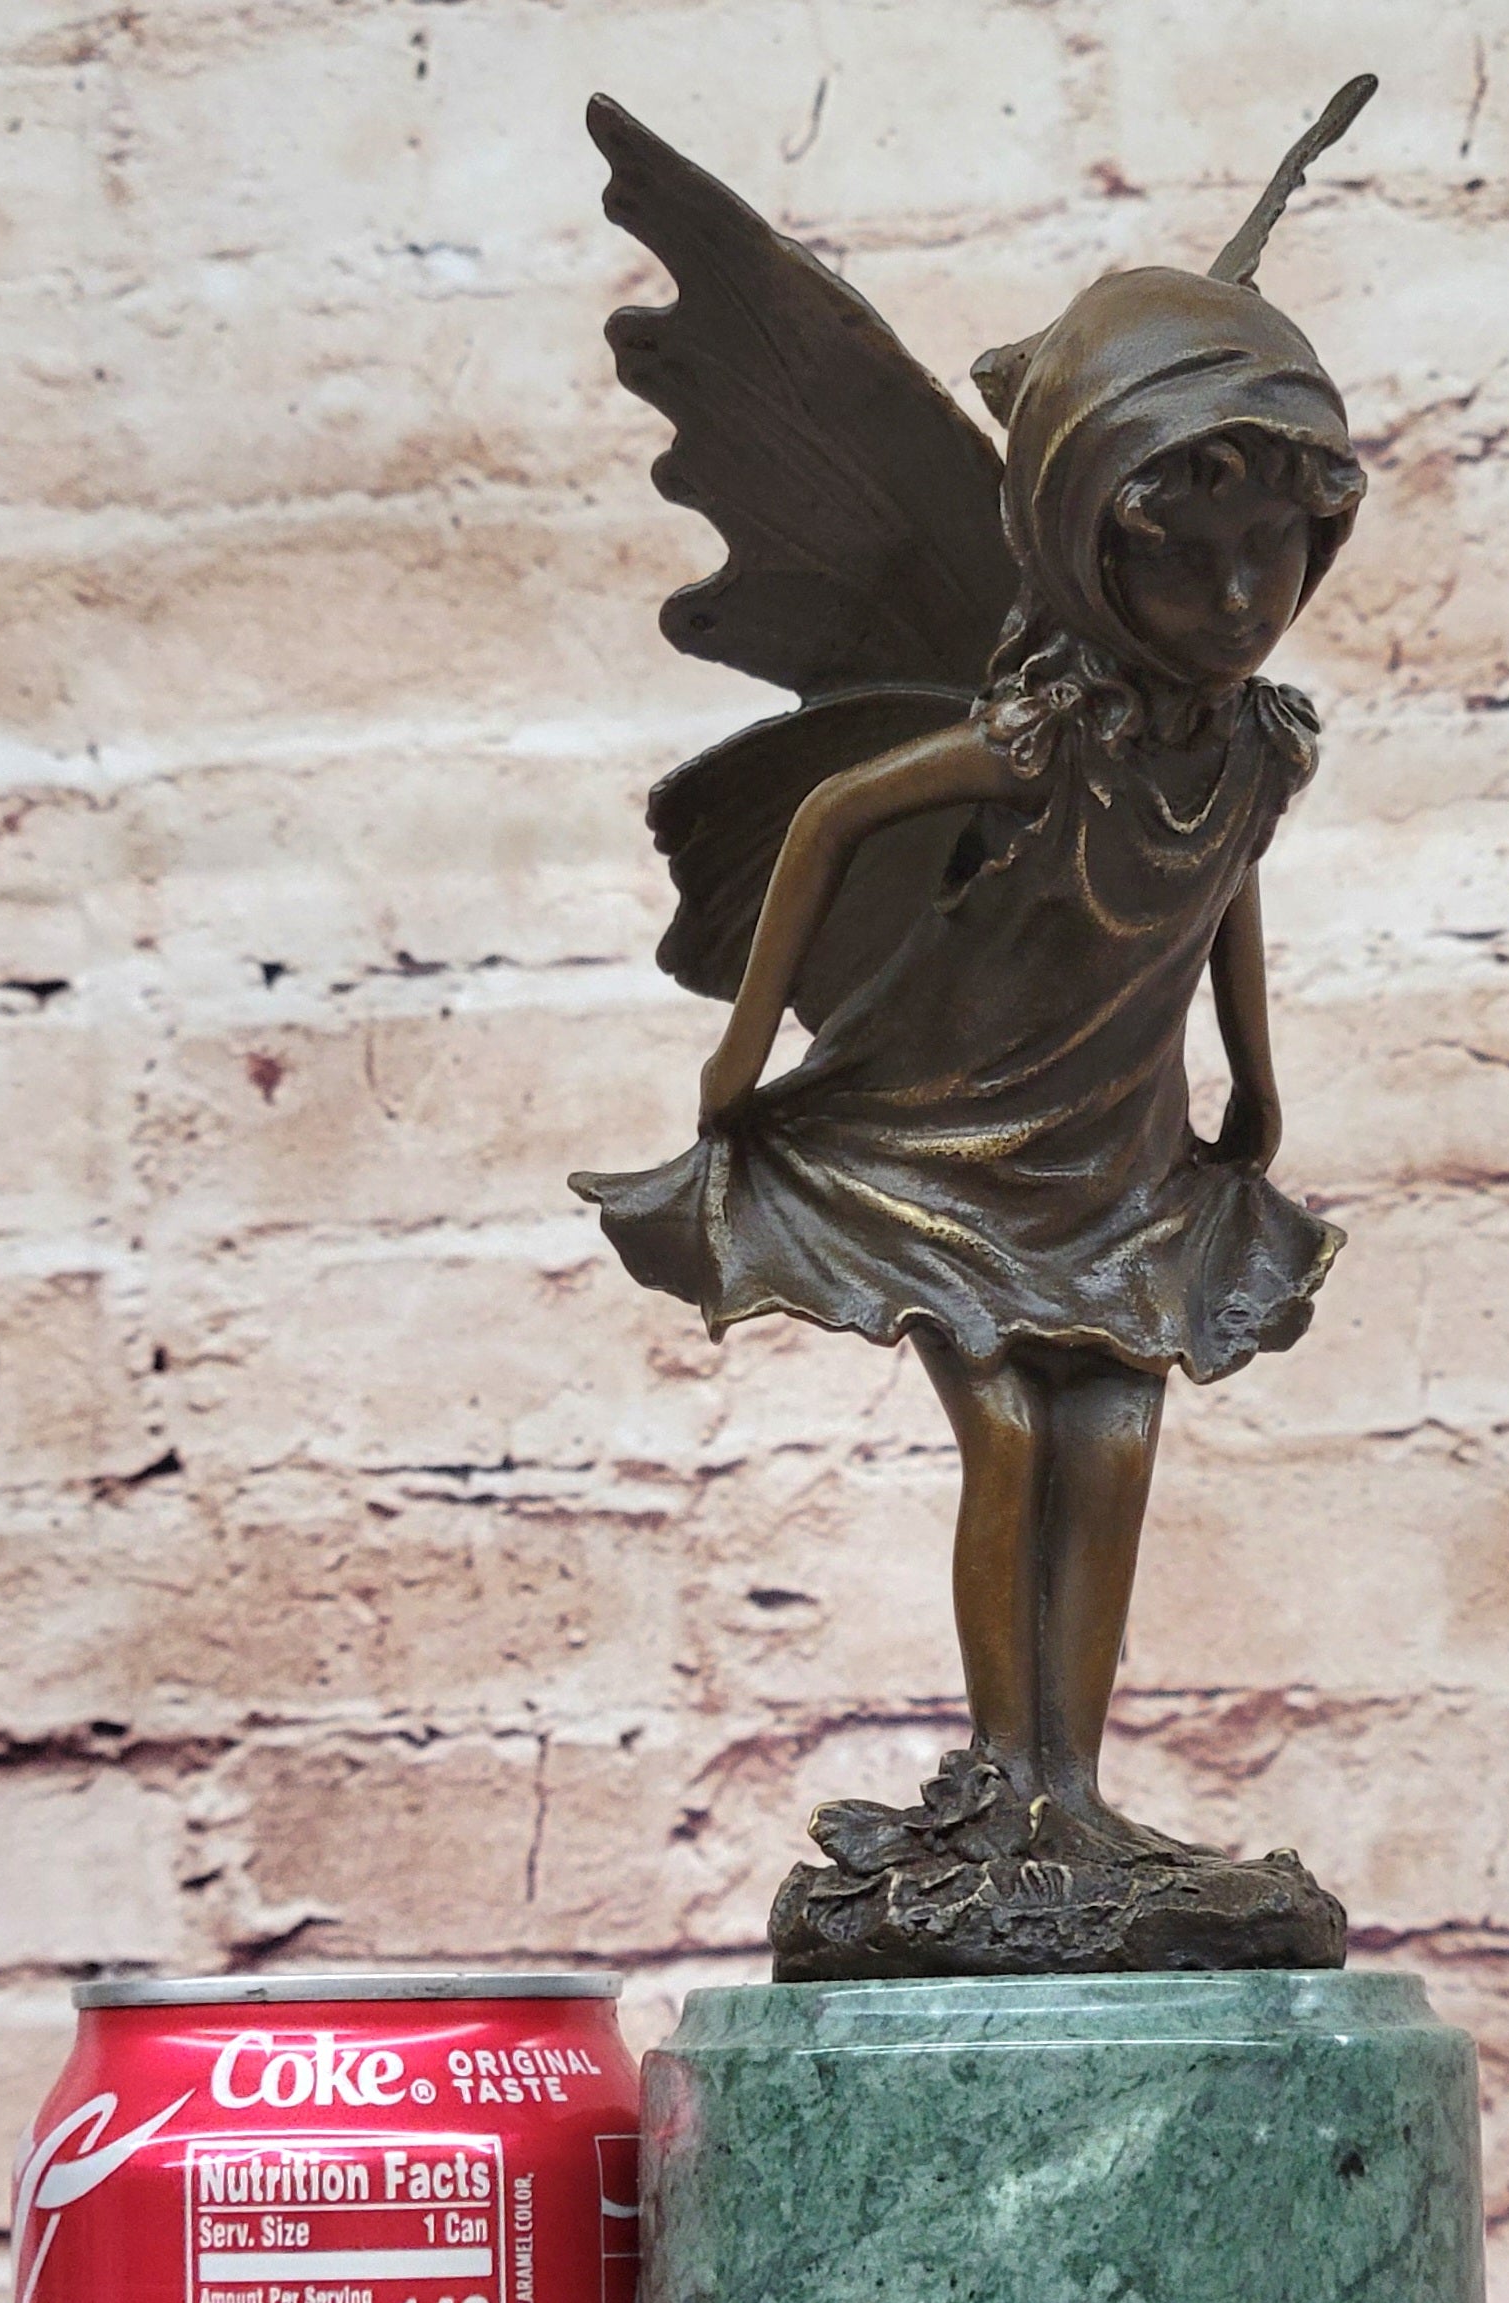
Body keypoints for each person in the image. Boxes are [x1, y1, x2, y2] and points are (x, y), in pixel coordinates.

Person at [575, 101, 1369, 1862]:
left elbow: (1223, 896)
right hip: (944, 1147)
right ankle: (1004, 1782)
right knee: (1006, 1428)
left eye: (1275, 553)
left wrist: (1258, 1079)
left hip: (1124, 1160)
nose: (1242, 597)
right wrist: (739, 1054)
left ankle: (1072, 1799)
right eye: (1188, 558)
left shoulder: (1255, 745)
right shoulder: (1037, 736)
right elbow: (833, 816)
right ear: (1093, 545)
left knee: (1120, 1438)